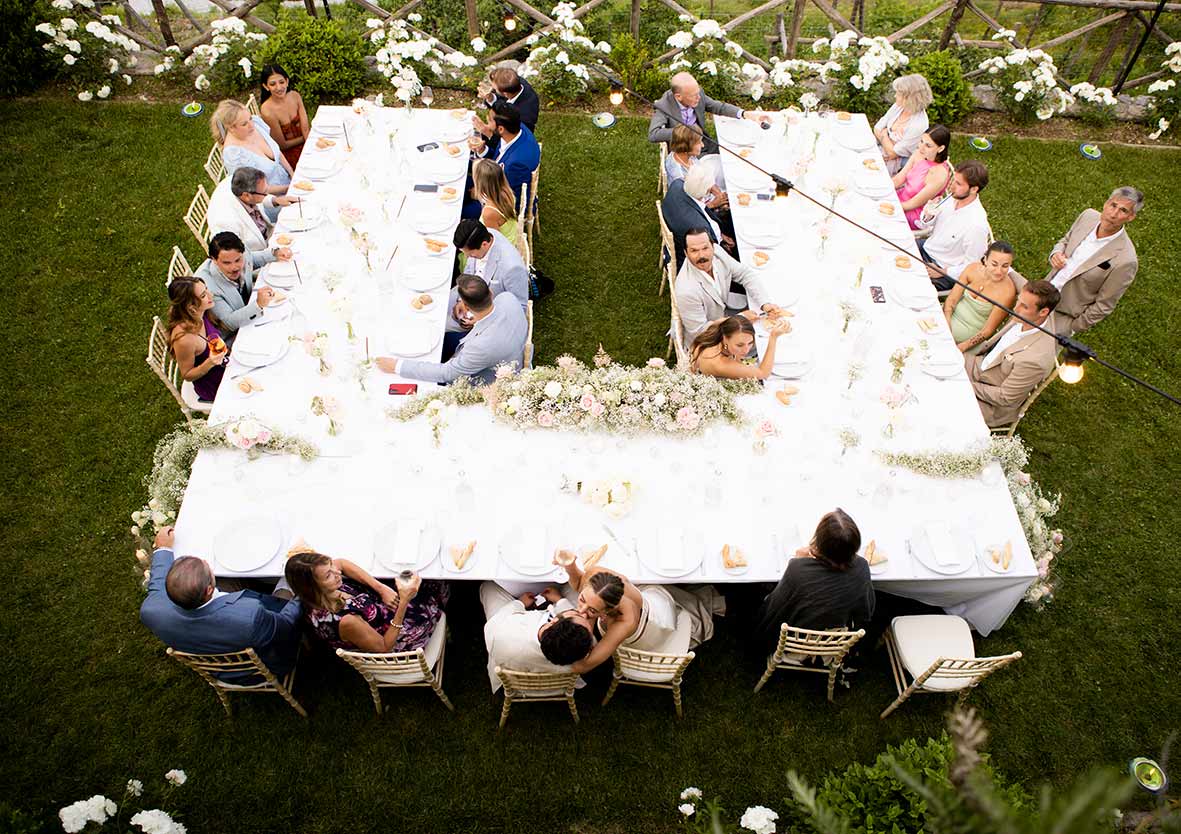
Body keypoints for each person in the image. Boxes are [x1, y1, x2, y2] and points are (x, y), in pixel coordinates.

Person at [139, 526, 302, 682]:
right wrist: (303, 590)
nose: (206, 562)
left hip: (219, 668)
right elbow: (287, 623)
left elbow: (158, 584)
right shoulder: (250, 616)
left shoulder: (152, 611)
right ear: (209, 589)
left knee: (229, 576)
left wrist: (163, 548)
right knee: (290, 577)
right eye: (207, 567)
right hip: (264, 668)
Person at [555, 554, 723, 675]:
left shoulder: (624, 622)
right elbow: (579, 583)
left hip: (655, 624)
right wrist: (570, 566)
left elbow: (583, 666)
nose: (581, 611)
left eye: (593, 610)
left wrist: (567, 644)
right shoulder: (596, 575)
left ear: (607, 611)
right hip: (649, 598)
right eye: (582, 599)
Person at [754, 509, 875, 652]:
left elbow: (774, 609)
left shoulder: (798, 570)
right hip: (833, 641)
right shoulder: (862, 567)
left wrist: (797, 561)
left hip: (796, 641)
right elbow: (865, 612)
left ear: (820, 543)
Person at [285, 552, 449, 654]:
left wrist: (380, 588)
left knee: (425, 575)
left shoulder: (319, 592)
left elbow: (341, 563)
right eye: (328, 575)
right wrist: (404, 602)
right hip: (394, 637)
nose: (337, 572)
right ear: (312, 588)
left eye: (331, 566)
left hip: (379, 606)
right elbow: (384, 647)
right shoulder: (345, 621)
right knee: (434, 588)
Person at [376, 276, 527, 385]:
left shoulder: (481, 347)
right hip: (504, 346)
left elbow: (447, 374)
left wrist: (397, 366)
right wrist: (478, 320)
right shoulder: (507, 298)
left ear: (466, 307)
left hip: (484, 381)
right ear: (491, 294)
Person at [1039, 187, 1141, 335]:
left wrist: (1072, 327)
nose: (1113, 214)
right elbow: (1066, 240)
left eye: (1123, 210)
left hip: (1062, 318)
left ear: (1131, 217)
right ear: (1106, 203)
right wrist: (1056, 254)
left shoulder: (1126, 260)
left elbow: (1104, 305)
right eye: (1113, 205)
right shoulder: (1087, 216)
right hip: (1040, 295)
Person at [967, 280, 1062, 428]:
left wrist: (965, 385)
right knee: (933, 358)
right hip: (979, 365)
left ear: (1044, 312)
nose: (1015, 309)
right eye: (1019, 301)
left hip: (990, 400)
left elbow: (1005, 397)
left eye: (1024, 306)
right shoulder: (1030, 315)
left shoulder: (1035, 360)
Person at [479, 581, 595, 692]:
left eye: (577, 614)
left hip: (514, 671)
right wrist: (560, 600)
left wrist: (520, 603)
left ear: (553, 621)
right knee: (575, 586)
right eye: (579, 615)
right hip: (560, 683)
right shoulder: (582, 651)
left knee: (488, 586)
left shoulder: (503, 632)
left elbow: (495, 624)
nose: (584, 614)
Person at [675, 229, 782, 349]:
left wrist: (765, 303)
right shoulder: (686, 291)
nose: (702, 256)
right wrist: (740, 319)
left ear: (713, 247)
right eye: (694, 250)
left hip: (725, 310)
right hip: (710, 338)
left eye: (705, 248)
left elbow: (745, 274)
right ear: (686, 253)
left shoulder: (718, 253)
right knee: (766, 343)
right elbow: (700, 332)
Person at [194, 231, 290, 344]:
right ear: (214, 260)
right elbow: (229, 322)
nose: (234, 267)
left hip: (252, 313)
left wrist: (275, 254)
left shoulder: (242, 254)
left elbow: (252, 259)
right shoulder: (207, 287)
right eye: (227, 263)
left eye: (238, 260)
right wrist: (258, 304)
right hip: (233, 336)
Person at [647, 71, 768, 153]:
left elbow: (718, 107)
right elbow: (654, 134)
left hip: (704, 143)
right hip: (685, 150)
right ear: (678, 97)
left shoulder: (697, 93)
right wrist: (686, 132)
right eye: (694, 96)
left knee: (736, 151)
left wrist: (744, 113)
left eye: (698, 93)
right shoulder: (664, 105)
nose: (698, 98)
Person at [916, 159, 991, 292]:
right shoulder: (953, 198)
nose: (951, 186)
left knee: (905, 282)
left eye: (958, 183)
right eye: (953, 180)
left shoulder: (976, 225)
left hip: (943, 270)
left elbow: (973, 266)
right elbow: (925, 224)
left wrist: (944, 272)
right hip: (928, 248)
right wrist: (928, 214)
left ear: (974, 189)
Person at [942, 241, 1018, 353]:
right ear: (985, 260)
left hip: (966, 341)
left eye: (1005, 266)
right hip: (947, 320)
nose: (999, 271)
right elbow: (952, 300)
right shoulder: (972, 269)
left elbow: (987, 330)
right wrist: (946, 323)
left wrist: (962, 347)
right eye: (994, 264)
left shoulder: (1007, 292)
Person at [468, 100, 540, 215]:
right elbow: (497, 158)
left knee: (461, 210)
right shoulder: (515, 128)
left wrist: (480, 194)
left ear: (501, 129)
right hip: (493, 182)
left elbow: (509, 199)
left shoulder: (515, 165)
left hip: (501, 207)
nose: (486, 121)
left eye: (489, 120)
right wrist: (482, 150)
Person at [207, 166, 300, 254]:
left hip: (270, 235)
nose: (267, 194)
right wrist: (271, 255)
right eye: (265, 192)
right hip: (259, 253)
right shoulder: (227, 223)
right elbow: (239, 257)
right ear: (246, 195)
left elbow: (259, 196)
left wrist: (275, 200)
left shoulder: (237, 184)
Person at [167, 278, 229, 403]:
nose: (211, 295)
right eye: (203, 295)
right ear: (191, 307)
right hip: (216, 385)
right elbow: (187, 375)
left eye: (206, 289)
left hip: (226, 365)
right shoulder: (184, 339)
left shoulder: (200, 314)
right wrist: (210, 362)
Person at [210, 99, 292, 194]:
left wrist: (292, 173)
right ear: (231, 128)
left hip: (288, 180)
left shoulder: (254, 125)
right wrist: (287, 189)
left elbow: (277, 153)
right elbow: (255, 191)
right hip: (272, 198)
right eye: (244, 124)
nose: (252, 125)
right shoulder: (234, 156)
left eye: (250, 118)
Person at [662, 165, 735, 269]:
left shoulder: (676, 185)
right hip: (693, 260)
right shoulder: (699, 229)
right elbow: (708, 256)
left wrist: (720, 235)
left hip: (680, 231)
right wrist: (720, 242)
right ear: (706, 191)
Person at [453, 219, 529, 314]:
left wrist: (482, 317)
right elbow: (469, 271)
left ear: (484, 244)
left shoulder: (512, 268)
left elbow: (520, 308)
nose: (467, 257)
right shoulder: (482, 235)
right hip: (470, 297)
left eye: (471, 254)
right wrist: (462, 300)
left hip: (492, 313)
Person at [691, 315, 790, 380]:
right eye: (740, 345)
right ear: (725, 338)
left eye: (750, 343)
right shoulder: (720, 363)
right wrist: (773, 337)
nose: (746, 350)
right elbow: (763, 374)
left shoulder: (721, 326)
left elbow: (733, 321)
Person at [892, 124, 952, 230]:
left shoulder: (939, 174)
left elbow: (913, 204)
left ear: (941, 148)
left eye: (928, 146)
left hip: (913, 212)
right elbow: (898, 179)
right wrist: (881, 190)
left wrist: (890, 205)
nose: (921, 147)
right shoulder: (919, 154)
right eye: (921, 141)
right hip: (900, 198)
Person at [873, 74, 933, 175]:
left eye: (899, 93)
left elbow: (892, 153)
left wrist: (884, 135)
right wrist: (888, 142)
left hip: (897, 165)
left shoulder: (919, 124)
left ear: (910, 98)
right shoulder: (899, 106)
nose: (895, 96)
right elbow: (877, 128)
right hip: (880, 149)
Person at [258, 64, 309, 170]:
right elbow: (282, 145)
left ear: (287, 81)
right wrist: (307, 138)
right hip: (289, 156)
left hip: (306, 141)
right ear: (266, 86)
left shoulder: (295, 96)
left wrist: (310, 144)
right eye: (273, 84)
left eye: (281, 82)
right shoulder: (267, 111)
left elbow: (305, 128)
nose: (279, 87)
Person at [474, 65, 540, 135]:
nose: (492, 89)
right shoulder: (512, 81)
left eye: (495, 89)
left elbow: (519, 135)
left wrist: (489, 133)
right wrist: (490, 98)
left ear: (506, 94)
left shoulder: (525, 115)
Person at [470, 159, 520, 245]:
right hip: (510, 234)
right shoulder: (506, 190)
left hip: (505, 245)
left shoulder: (489, 213)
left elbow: (494, 241)